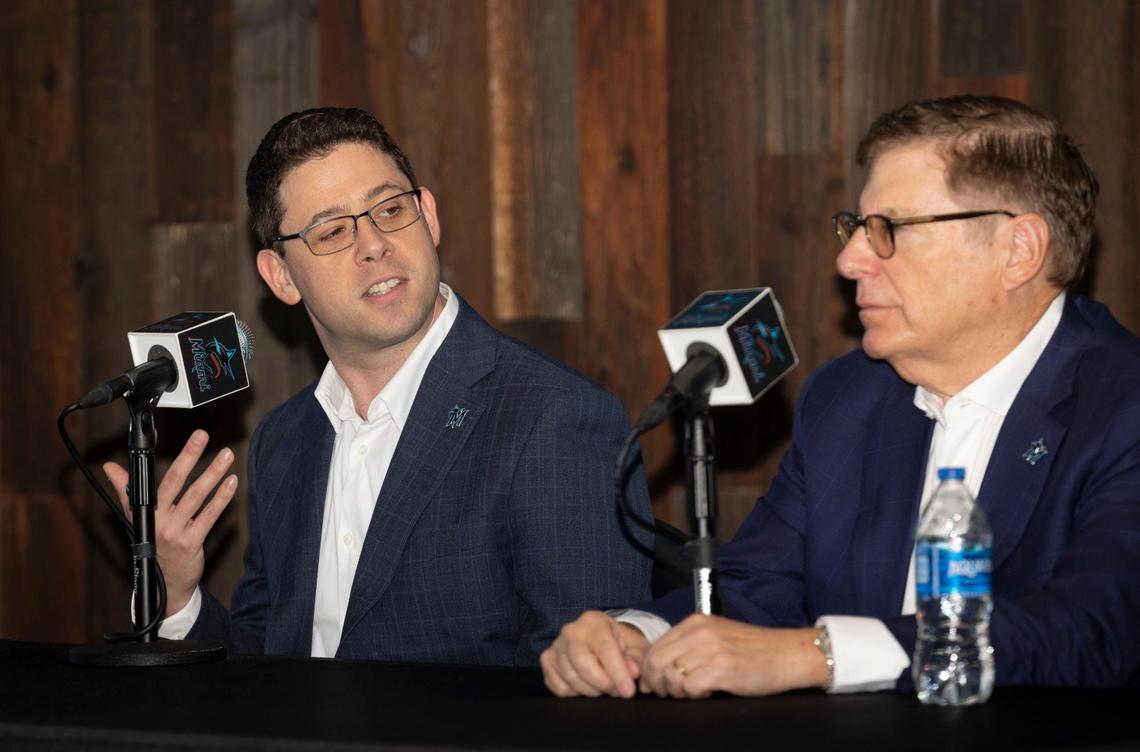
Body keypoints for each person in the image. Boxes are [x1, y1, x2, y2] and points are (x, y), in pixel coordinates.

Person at [541, 94, 1140, 698]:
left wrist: (819, 654)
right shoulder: (848, 397)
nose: (850, 259)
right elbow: (757, 588)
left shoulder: (1121, 406)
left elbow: (1090, 630)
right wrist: (637, 637)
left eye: (889, 230)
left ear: (1018, 252)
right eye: (856, 226)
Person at [104, 107, 653, 665]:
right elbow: (267, 670)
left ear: (428, 217)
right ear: (282, 277)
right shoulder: (284, 439)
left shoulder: (553, 416)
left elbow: (588, 691)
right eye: (333, 230)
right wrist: (174, 595)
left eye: (390, 209)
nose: (373, 244)